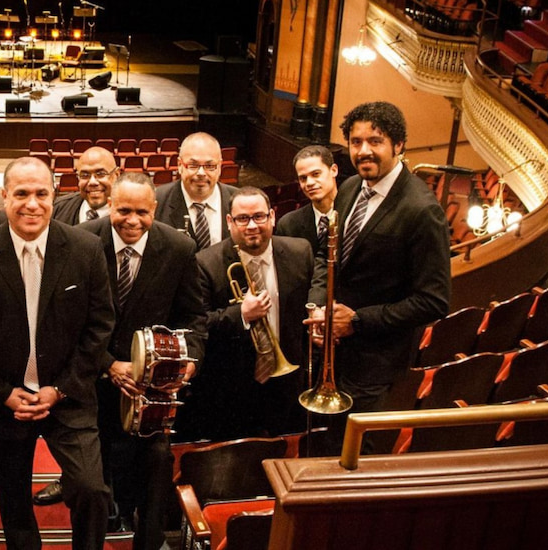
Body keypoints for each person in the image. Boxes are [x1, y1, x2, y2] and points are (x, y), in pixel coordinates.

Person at [0, 156, 115, 550]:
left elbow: (100, 327)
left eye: (41, 193)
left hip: (69, 396)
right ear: (3, 196)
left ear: (54, 195)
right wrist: (2, 392)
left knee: (92, 489)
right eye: (21, 193)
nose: (32, 203)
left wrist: (59, 389)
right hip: (6, 400)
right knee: (13, 499)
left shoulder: (86, 248)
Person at [310, 101, 451, 453]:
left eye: (376, 141)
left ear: (398, 145)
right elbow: (326, 257)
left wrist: (357, 321)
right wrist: (319, 307)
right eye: (356, 142)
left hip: (377, 362)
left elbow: (434, 301)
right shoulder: (349, 189)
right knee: (327, 443)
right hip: (336, 350)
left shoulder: (422, 210)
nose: (364, 150)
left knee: (355, 453)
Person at [76, 172, 205, 548]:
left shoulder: (179, 247)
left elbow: (194, 318)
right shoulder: (82, 243)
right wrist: (107, 364)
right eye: (123, 211)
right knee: (92, 483)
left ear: (155, 209)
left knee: (156, 465)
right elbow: (65, 320)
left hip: (150, 393)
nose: (132, 221)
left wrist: (187, 362)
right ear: (110, 207)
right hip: (92, 385)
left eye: (142, 213)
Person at [192, 186, 313, 442]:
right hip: (232, 388)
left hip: (288, 382)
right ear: (229, 221)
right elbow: (197, 323)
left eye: (259, 216)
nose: (251, 226)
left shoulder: (300, 252)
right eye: (242, 219)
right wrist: (241, 314)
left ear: (272, 216)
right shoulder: (205, 263)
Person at [153, 132, 237, 250]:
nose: (201, 173)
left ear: (219, 167)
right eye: (193, 165)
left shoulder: (238, 201)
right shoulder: (157, 200)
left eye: (209, 166)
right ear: (179, 165)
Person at [276, 145, 339, 254]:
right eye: (303, 178)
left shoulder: (354, 214)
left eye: (316, 174)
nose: (309, 183)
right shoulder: (288, 225)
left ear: (333, 170)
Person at [51, 146, 119, 226]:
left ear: (116, 175)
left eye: (101, 174)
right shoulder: (59, 209)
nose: (92, 182)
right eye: (85, 175)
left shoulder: (131, 215)